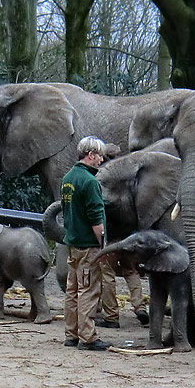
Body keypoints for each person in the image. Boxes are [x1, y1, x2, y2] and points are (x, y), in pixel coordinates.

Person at [60, 136, 112, 351]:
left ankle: (71, 333)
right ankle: (87, 337)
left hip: (72, 244)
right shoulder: (90, 182)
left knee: (72, 290)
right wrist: (103, 245)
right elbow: (95, 217)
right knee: (88, 290)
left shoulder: (68, 178)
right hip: (88, 246)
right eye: (100, 155)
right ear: (91, 155)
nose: (101, 160)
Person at [99, 254, 149, 327]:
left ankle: (111, 317)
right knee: (131, 272)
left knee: (107, 275)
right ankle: (140, 307)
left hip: (111, 246)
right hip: (129, 245)